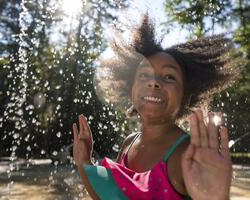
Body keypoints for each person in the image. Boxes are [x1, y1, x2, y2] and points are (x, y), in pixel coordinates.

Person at [72, 14, 239, 200]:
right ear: (131, 88)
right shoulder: (129, 143)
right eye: (144, 75)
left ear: (186, 96)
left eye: (169, 77)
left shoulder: (188, 152)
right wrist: (83, 162)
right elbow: (113, 196)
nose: (153, 82)